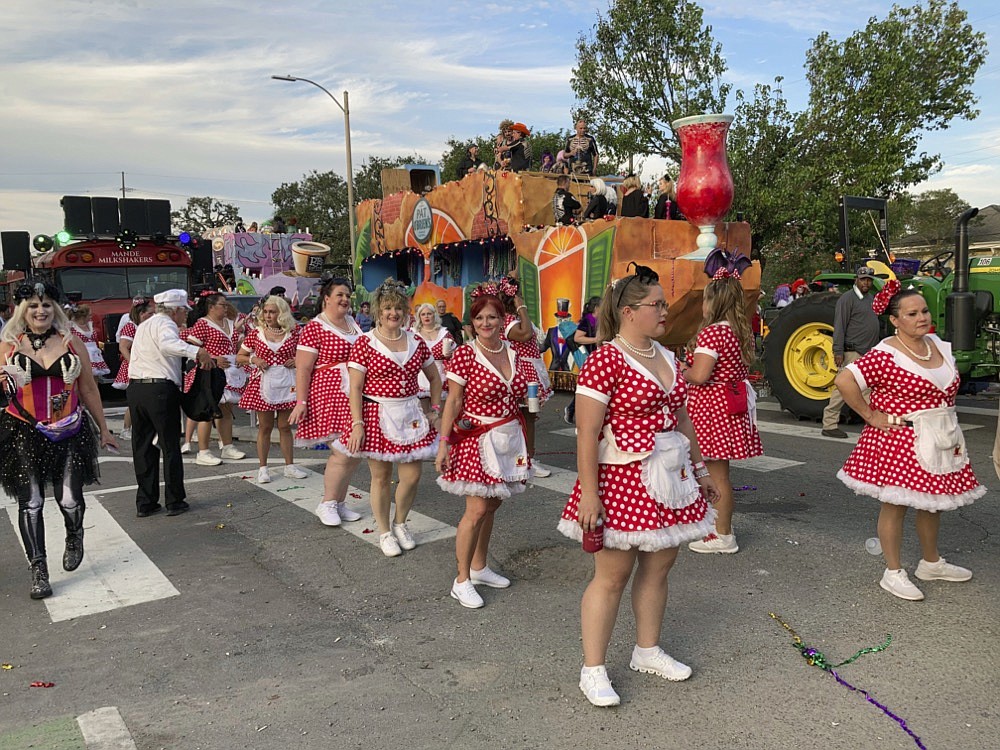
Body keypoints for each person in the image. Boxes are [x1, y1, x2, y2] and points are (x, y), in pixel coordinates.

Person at [556, 264, 719, 707]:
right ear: (629, 312)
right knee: (612, 576)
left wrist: (701, 470)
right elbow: (587, 432)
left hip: (670, 476)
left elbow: (683, 417)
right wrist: (590, 494)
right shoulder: (606, 359)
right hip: (622, 479)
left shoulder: (665, 355)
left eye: (663, 304)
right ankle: (593, 669)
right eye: (657, 305)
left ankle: (647, 650)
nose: (665, 311)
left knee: (661, 565)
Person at [834, 282, 984, 601]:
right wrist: (870, 415)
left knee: (933, 503)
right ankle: (893, 572)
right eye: (912, 313)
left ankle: (931, 563)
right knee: (896, 504)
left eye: (924, 311)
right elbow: (844, 380)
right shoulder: (886, 353)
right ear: (895, 320)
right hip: (901, 438)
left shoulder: (938, 346)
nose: (921, 317)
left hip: (941, 436)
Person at [0, 282, 118, 599]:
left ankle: (74, 533)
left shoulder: (71, 343)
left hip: (69, 428)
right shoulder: (8, 345)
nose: (41, 311)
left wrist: (104, 428)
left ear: (55, 310)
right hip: (23, 429)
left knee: (68, 498)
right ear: (23, 310)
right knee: (32, 501)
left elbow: (90, 389)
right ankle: (39, 570)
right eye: (35, 306)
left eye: (47, 305)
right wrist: (7, 380)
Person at [435, 289, 536, 608]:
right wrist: (444, 442)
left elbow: (526, 392)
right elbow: (453, 400)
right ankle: (461, 579)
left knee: (493, 503)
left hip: (508, 436)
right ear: (472, 323)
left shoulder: (515, 353)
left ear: (502, 319)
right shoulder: (465, 355)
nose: (486, 322)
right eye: (479, 317)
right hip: (476, 438)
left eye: (492, 316)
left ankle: (479, 567)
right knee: (476, 509)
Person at [346, 279, 443, 557]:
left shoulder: (416, 341)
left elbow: (434, 378)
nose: (393, 313)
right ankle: (384, 531)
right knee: (381, 477)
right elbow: (355, 387)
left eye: (399, 308)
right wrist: (357, 423)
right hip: (377, 413)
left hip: (410, 412)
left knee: (412, 476)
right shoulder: (365, 343)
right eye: (388, 307)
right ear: (378, 310)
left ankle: (400, 522)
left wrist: (434, 410)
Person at [682, 269, 764, 554]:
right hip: (728, 405)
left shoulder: (713, 333)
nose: (702, 306)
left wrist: (682, 369)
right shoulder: (738, 331)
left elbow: (700, 375)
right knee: (718, 473)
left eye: (705, 300)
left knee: (715, 475)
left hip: (711, 408)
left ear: (714, 302)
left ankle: (722, 534)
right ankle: (717, 526)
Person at [128, 289, 215, 519]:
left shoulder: (146, 324)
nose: (185, 315)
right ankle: (175, 500)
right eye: (184, 311)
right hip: (159, 388)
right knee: (169, 446)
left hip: (137, 388)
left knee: (143, 447)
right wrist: (196, 352)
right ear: (175, 310)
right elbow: (168, 346)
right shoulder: (166, 325)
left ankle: (145, 502)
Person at [289, 276, 365, 527]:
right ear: (327, 298)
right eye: (340, 294)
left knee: (353, 452)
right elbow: (303, 368)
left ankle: (340, 503)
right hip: (329, 395)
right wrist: (301, 401)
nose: (345, 299)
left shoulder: (353, 324)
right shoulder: (314, 327)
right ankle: (328, 503)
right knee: (343, 451)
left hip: (354, 393)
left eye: (347, 294)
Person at [237, 295, 309, 484]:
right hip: (264, 383)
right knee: (265, 427)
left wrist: (297, 360)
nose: (268, 315)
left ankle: (289, 466)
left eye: (272, 312)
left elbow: (306, 355)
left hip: (288, 382)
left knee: (285, 427)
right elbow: (240, 356)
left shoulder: (295, 333)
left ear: (281, 313)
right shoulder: (256, 333)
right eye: (266, 312)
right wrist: (254, 359)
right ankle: (263, 468)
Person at [184, 291, 248, 465]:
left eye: (226, 305)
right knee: (208, 410)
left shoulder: (230, 323)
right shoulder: (202, 324)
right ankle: (203, 451)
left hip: (229, 371)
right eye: (223, 305)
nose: (226, 308)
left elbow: (235, 345)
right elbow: (191, 350)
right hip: (209, 371)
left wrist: (240, 352)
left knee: (225, 410)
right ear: (211, 307)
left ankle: (227, 446)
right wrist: (214, 358)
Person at [498, 275, 553, 478]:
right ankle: (526, 460)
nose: (521, 297)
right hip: (521, 373)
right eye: (518, 294)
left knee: (528, 417)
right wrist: (522, 307)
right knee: (525, 417)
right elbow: (525, 334)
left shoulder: (514, 319)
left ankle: (525, 457)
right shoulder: (508, 320)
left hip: (530, 370)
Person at [822, 266, 880, 438]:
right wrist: (838, 350)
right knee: (844, 389)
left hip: (868, 352)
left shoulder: (871, 298)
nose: (866, 282)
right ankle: (829, 424)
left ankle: (874, 423)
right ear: (857, 279)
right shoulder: (847, 299)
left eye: (869, 279)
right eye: (863, 279)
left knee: (866, 390)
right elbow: (839, 325)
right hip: (853, 351)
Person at [112, 297, 154, 440]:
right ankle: (126, 429)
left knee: (146, 399)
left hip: (148, 365)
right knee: (134, 401)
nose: (152, 316)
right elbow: (123, 347)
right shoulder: (131, 327)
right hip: (135, 366)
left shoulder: (148, 326)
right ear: (141, 314)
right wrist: (133, 362)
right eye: (150, 313)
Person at [563, 296, 602, 426]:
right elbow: (578, 338)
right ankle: (572, 409)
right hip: (589, 358)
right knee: (587, 386)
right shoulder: (588, 320)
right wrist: (595, 340)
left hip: (598, 358)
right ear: (597, 308)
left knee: (592, 386)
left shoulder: (599, 320)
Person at [413, 302, 455, 402]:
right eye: (423, 314)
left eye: (429, 313)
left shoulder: (444, 333)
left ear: (434, 315)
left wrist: (450, 355)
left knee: (438, 413)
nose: (426, 316)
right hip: (420, 376)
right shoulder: (412, 334)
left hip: (440, 375)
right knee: (423, 413)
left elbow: (455, 354)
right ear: (419, 317)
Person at [68, 304, 110, 379]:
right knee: (84, 378)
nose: (91, 317)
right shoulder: (72, 327)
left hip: (94, 355)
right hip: (82, 354)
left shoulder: (90, 325)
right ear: (83, 316)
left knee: (95, 377)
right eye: (89, 315)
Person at [539, 298, 576, 372]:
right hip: (553, 370)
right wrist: (532, 347)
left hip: (566, 371)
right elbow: (543, 347)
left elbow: (578, 351)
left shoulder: (572, 333)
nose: (562, 322)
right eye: (560, 320)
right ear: (557, 319)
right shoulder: (551, 332)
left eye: (564, 320)